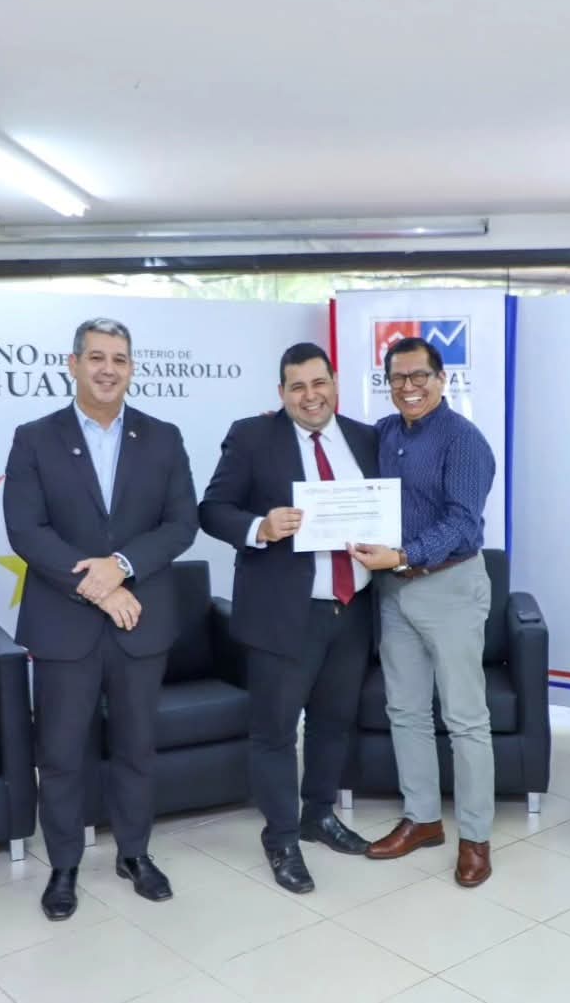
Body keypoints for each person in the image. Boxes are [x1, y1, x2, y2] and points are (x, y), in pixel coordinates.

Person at [4, 317, 198, 921]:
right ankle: (63, 865)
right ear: (73, 364)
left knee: (137, 747)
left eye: (119, 358)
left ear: (132, 367)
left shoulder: (163, 437)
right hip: (65, 624)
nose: (108, 369)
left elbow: (181, 524)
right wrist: (99, 587)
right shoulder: (34, 438)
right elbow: (26, 530)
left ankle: (134, 854)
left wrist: (121, 566)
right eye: (96, 357)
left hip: (141, 622)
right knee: (61, 753)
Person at [198, 342, 377, 893]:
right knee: (275, 733)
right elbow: (212, 509)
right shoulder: (252, 437)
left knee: (333, 723)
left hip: (352, 609)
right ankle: (280, 838)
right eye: (297, 387)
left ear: (335, 384)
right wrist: (260, 526)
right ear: (281, 393)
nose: (310, 396)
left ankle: (317, 814)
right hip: (281, 615)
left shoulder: (366, 439)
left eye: (319, 383)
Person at [349, 336, 497, 888]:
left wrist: (404, 555)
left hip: (450, 586)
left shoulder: (464, 440)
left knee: (465, 718)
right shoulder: (385, 434)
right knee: (406, 710)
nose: (408, 387)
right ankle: (424, 819)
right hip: (394, 591)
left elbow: (462, 523)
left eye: (419, 376)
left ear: (442, 379)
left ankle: (476, 838)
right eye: (397, 378)